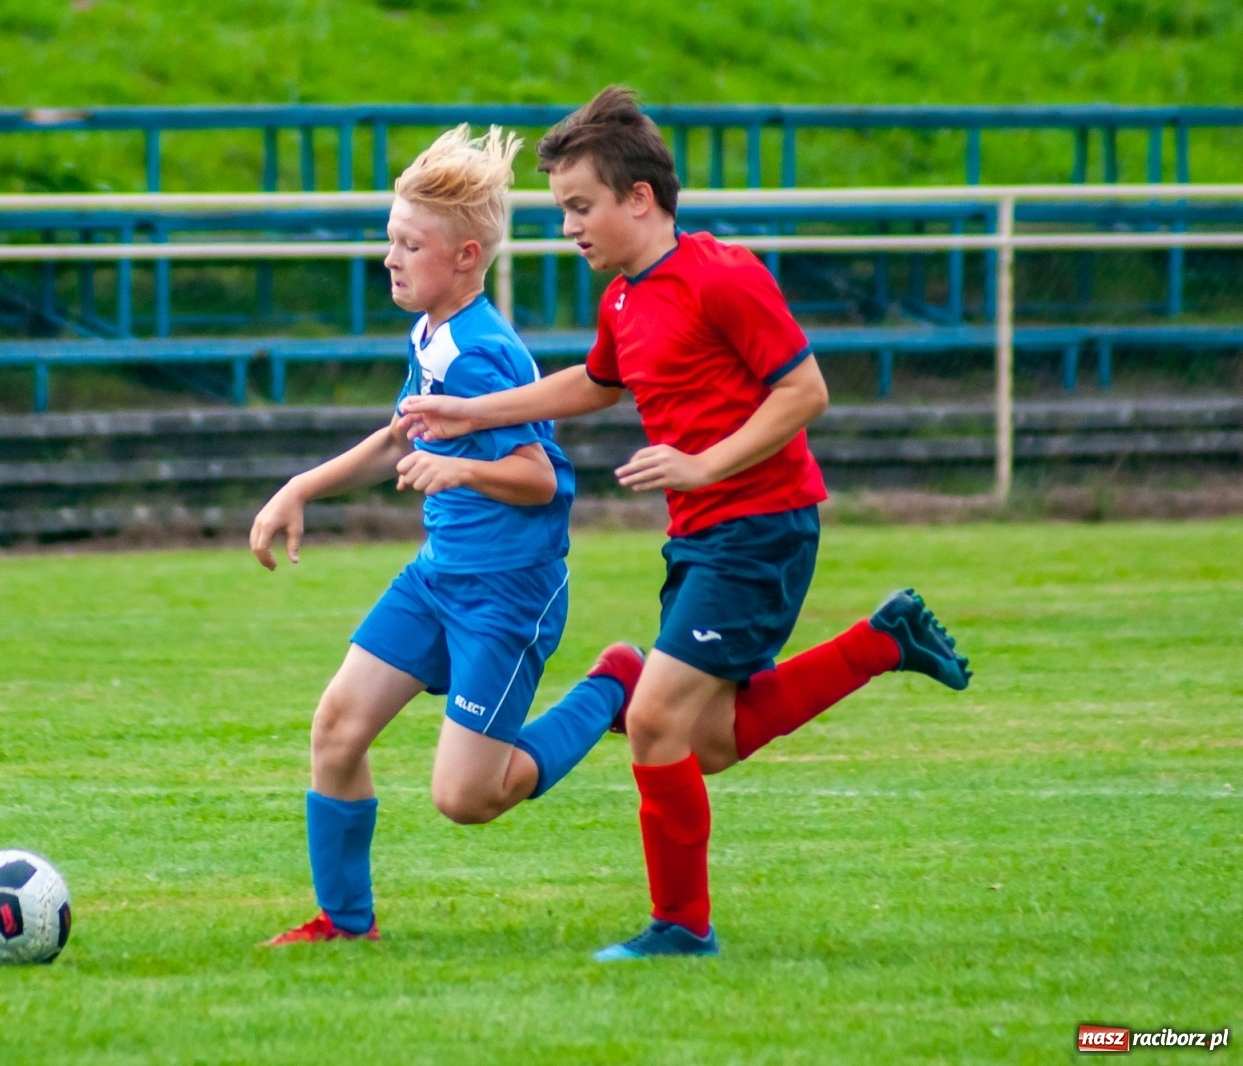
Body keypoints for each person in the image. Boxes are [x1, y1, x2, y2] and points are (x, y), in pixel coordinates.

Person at [399, 87, 972, 961]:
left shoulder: (722, 274)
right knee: (707, 741)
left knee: (660, 721)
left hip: (762, 525)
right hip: (700, 533)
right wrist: (471, 414)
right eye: (561, 211)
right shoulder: (626, 302)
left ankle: (680, 929)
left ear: (641, 198)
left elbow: (805, 391)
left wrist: (706, 463)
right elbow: (594, 385)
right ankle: (881, 642)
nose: (569, 228)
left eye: (580, 207)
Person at [249, 124, 646, 945]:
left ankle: (612, 685)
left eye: (408, 244)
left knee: (468, 798)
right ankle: (346, 924)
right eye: (389, 240)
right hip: (439, 577)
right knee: (337, 729)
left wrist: (462, 470)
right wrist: (303, 488)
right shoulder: (432, 332)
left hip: (507, 595)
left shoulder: (482, 352)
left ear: (465, 257)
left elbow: (541, 478)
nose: (390, 258)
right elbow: (405, 433)